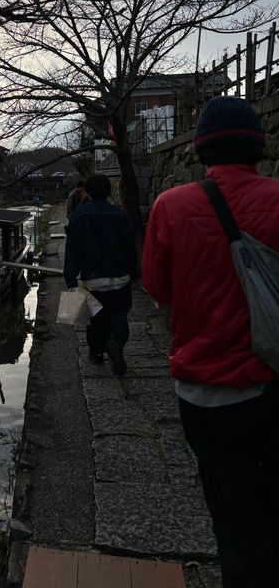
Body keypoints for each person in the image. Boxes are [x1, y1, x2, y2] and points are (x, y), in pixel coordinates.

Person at [142, 96, 279, 588]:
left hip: (207, 392)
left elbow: (157, 288)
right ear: (258, 147)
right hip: (272, 384)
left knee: (231, 509)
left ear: (200, 150)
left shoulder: (172, 206)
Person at [64, 173, 138, 375]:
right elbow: (129, 247)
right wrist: (134, 271)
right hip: (119, 277)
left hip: (91, 279)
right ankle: (116, 344)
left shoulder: (79, 216)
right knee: (119, 315)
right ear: (108, 191)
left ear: (87, 191)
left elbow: (72, 249)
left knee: (94, 319)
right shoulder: (119, 214)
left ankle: (96, 352)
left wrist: (70, 277)